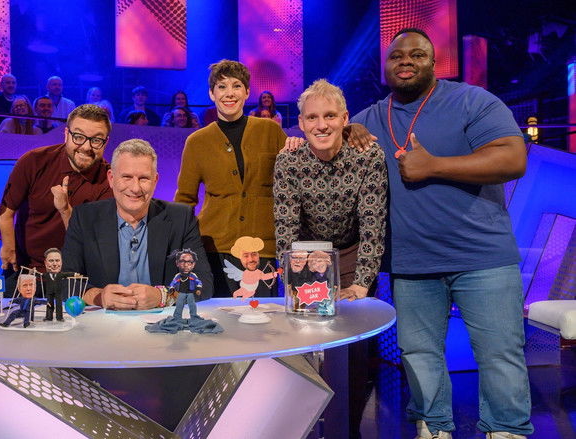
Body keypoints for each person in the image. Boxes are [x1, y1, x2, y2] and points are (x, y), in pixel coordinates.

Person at [351, 28, 531, 439]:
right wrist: (345, 131)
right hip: (411, 263)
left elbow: (513, 158)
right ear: (386, 66)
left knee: (500, 353)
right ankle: (433, 427)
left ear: (435, 62)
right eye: (397, 56)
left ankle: (506, 429)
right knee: (418, 354)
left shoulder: (472, 101)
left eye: (417, 54)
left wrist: (434, 165)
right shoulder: (369, 119)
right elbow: (323, 141)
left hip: (482, 257)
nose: (406, 61)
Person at [174, 59, 287, 297]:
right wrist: (180, 249)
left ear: (247, 92)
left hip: (262, 247)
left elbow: (290, 186)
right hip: (215, 247)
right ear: (212, 93)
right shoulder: (197, 142)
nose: (229, 93)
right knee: (218, 314)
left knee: (261, 316)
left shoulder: (271, 131)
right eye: (222, 87)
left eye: (236, 86)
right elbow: (184, 199)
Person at [62, 139, 213, 309]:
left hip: (161, 322)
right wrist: (99, 296)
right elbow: (66, 281)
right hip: (104, 322)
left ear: (155, 181)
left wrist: (162, 296)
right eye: (127, 177)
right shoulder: (84, 218)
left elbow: (204, 283)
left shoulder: (181, 218)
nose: (135, 188)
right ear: (111, 178)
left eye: (143, 178)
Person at [275, 79, 387, 302]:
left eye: (330, 116)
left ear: (345, 119)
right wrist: (292, 277)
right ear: (301, 123)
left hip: (353, 257)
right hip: (306, 257)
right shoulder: (289, 160)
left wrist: (361, 283)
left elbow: (372, 224)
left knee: (355, 321)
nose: (321, 125)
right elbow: (285, 227)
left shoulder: (369, 156)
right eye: (312, 117)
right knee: (308, 322)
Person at [0, 104, 113, 274]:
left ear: (105, 142)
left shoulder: (109, 181)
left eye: (96, 140)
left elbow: (91, 241)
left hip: (77, 277)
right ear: (66, 134)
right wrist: (9, 248)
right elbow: (6, 213)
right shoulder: (34, 161)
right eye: (78, 137)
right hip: (25, 269)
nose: (86, 147)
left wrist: (65, 210)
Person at [42, 248, 79, 322]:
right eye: (51, 261)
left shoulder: (61, 275)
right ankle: (49, 317)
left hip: (58, 292)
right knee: (49, 304)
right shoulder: (46, 275)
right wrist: (32, 272)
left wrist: (75, 274)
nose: (54, 264)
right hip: (49, 293)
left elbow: (68, 274)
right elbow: (38, 275)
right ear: (45, 263)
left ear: (61, 262)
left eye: (57, 260)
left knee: (59, 305)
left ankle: (59, 317)